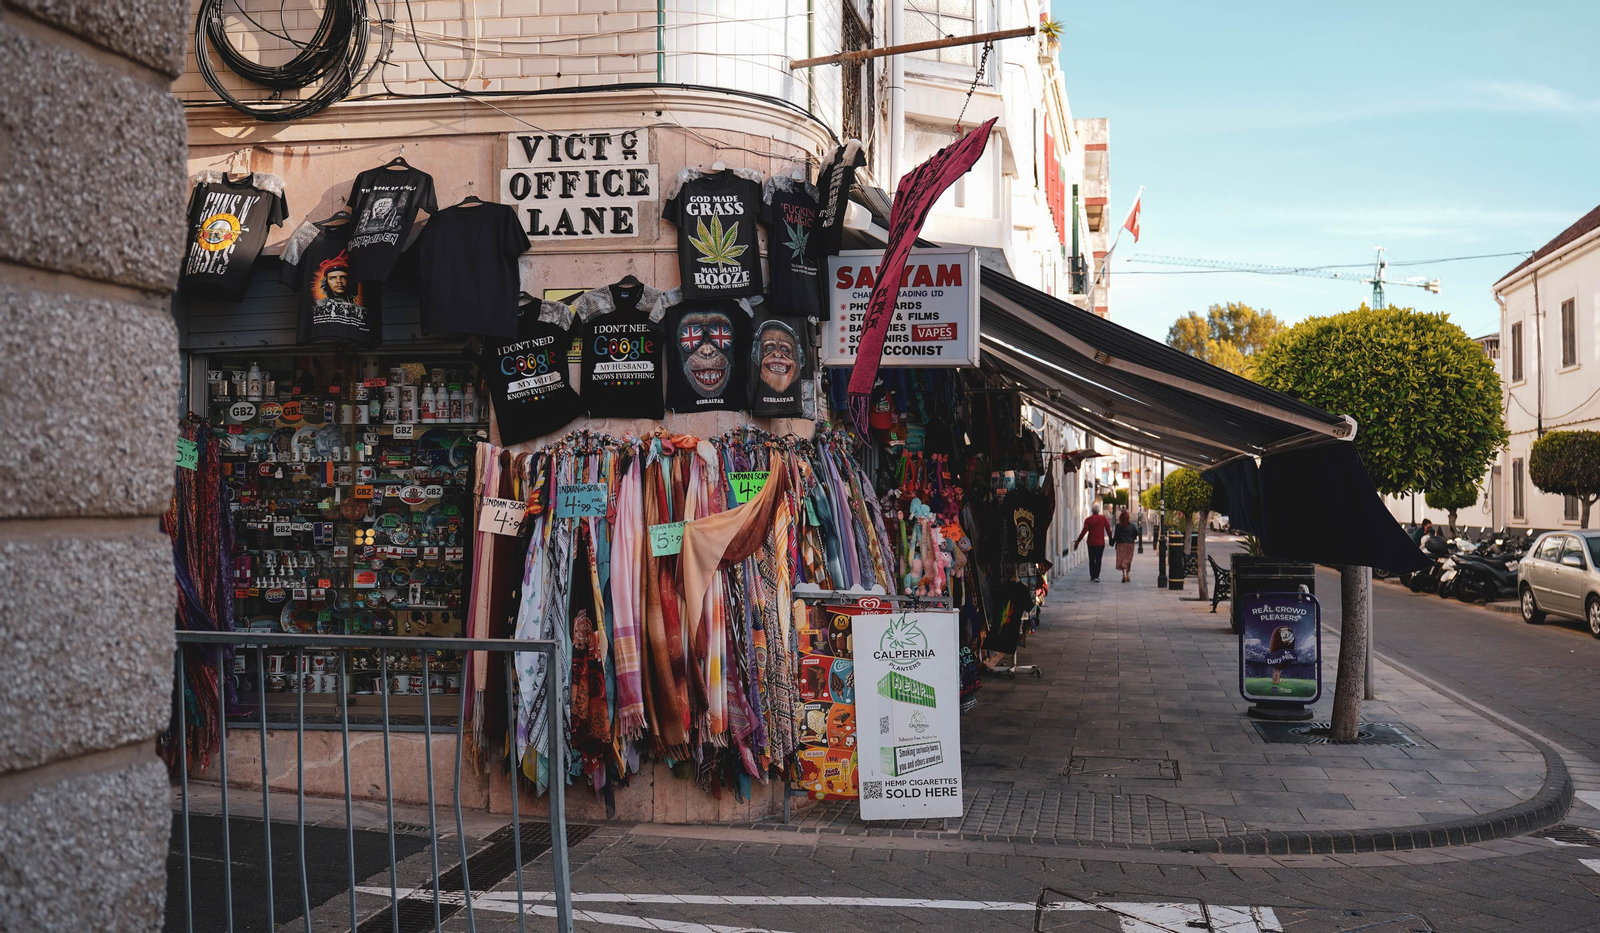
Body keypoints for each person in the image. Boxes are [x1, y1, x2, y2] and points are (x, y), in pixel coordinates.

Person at [1074, 502, 1113, 582]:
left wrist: (1078, 540)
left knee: (1091, 559)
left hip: (1091, 542)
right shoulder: (1103, 518)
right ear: (1098, 511)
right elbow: (1108, 529)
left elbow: (1084, 531)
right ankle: (1096, 576)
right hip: (1100, 543)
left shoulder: (1088, 520)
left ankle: (1092, 575)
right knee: (1098, 559)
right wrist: (1110, 539)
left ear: (1092, 511)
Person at [1113, 509, 1139, 583]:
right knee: (1128, 559)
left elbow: (1116, 536)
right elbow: (1137, 533)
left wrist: (1112, 542)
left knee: (1122, 559)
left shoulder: (1119, 526)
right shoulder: (1132, 525)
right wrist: (1133, 538)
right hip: (1130, 544)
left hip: (1121, 544)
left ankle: (1124, 573)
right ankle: (1128, 574)